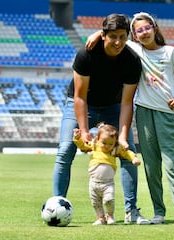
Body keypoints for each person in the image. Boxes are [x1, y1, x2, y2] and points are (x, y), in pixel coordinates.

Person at [86, 12, 174, 226]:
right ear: (134, 36)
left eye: (147, 28)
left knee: (171, 163)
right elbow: (114, 34)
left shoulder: (170, 52)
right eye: (138, 31)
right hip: (143, 112)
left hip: (165, 113)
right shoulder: (135, 50)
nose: (143, 33)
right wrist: (98, 33)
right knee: (151, 166)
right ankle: (159, 213)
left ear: (154, 28)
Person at [52, 13, 150, 225]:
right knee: (66, 149)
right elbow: (80, 96)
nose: (118, 42)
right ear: (103, 35)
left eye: (122, 37)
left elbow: (126, 103)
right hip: (79, 103)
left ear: (128, 36)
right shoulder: (86, 54)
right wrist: (85, 131)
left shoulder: (132, 61)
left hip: (113, 108)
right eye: (113, 36)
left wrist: (123, 136)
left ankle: (131, 210)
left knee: (128, 151)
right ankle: (56, 203)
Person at [73, 123, 141, 225]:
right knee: (96, 203)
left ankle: (110, 216)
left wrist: (134, 158)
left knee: (109, 200)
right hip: (93, 182)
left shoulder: (115, 149)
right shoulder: (94, 145)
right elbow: (82, 145)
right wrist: (77, 138)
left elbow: (126, 152)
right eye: (104, 143)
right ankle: (100, 218)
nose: (107, 146)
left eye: (110, 144)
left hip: (108, 183)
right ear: (97, 139)